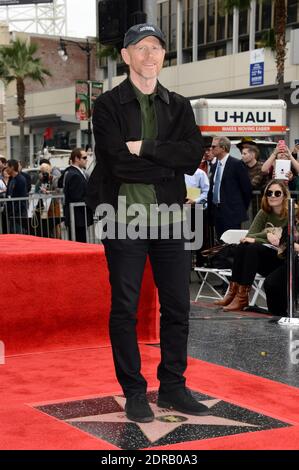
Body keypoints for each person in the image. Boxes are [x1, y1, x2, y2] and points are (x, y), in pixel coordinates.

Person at [87, 23, 206, 423]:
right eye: (141, 48)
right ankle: (134, 390)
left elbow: (192, 156)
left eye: (157, 48)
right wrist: (164, 167)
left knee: (178, 307)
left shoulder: (179, 104)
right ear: (126, 56)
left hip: (171, 220)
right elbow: (115, 161)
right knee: (125, 308)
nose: (150, 55)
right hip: (123, 219)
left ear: (163, 56)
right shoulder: (107, 106)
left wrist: (149, 149)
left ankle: (173, 386)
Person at [215, 179, 289, 312]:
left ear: (284, 195)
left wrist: (260, 238)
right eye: (269, 193)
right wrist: (267, 234)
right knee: (243, 246)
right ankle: (235, 294)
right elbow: (249, 236)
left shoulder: (290, 213)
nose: (272, 196)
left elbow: (283, 241)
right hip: (266, 257)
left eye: (277, 193)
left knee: (253, 247)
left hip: (282, 259)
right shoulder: (264, 212)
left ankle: (241, 297)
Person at [208, 136, 252, 240]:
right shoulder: (214, 166)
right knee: (220, 243)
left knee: (232, 244)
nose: (211, 149)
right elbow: (213, 188)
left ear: (223, 148)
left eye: (214, 146)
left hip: (232, 213)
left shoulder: (237, 164)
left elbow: (246, 189)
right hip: (217, 211)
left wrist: (238, 208)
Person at [63, 148, 93, 243]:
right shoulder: (74, 175)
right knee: (80, 245)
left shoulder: (75, 173)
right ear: (76, 159)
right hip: (78, 218)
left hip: (78, 218)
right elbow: (77, 197)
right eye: (84, 157)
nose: (86, 160)